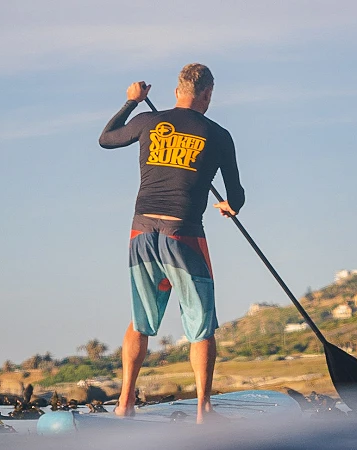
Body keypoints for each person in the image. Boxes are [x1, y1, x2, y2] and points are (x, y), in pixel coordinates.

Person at [98, 63, 245, 424]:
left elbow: (107, 138)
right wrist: (231, 206)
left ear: (178, 91)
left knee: (140, 322)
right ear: (207, 94)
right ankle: (203, 409)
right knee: (201, 325)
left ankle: (125, 403)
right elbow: (236, 193)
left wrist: (132, 102)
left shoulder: (149, 121)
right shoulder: (218, 134)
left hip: (141, 231)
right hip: (184, 234)